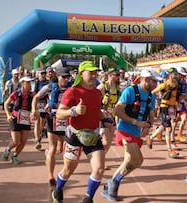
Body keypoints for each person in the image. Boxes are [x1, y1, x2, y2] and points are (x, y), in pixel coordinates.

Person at [101, 68, 160, 201]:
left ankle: (112, 185)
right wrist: (136, 122)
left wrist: (149, 125)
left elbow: (151, 116)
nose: (156, 84)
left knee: (128, 161)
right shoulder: (130, 91)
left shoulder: (152, 95)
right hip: (125, 129)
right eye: (154, 81)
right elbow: (118, 110)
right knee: (138, 160)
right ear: (145, 79)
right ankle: (113, 183)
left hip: (136, 133)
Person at [52, 61, 106, 203]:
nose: (94, 75)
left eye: (95, 72)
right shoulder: (72, 92)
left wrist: (104, 115)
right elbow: (59, 114)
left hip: (93, 135)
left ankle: (88, 198)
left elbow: (95, 112)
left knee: (99, 168)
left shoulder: (97, 93)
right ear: (82, 74)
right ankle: (57, 189)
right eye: (90, 72)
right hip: (75, 134)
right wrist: (73, 111)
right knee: (68, 170)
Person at [31, 67, 71, 191]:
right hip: (52, 118)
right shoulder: (49, 87)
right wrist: (34, 109)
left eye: (67, 77)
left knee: (62, 148)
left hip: (65, 119)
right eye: (63, 77)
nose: (66, 79)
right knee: (53, 148)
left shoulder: (72, 88)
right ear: (58, 76)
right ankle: (51, 177)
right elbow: (36, 97)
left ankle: (48, 154)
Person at [2, 76, 35, 165]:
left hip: (26, 119)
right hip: (15, 118)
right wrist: (8, 115)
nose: (29, 84)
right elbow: (6, 104)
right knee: (17, 141)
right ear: (22, 83)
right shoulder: (16, 93)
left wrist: (34, 113)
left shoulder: (32, 95)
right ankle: (7, 149)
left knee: (23, 141)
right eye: (27, 82)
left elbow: (35, 106)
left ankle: (15, 156)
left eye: (30, 82)